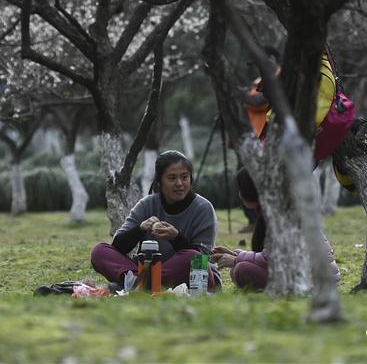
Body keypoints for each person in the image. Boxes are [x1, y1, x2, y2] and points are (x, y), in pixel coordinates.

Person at [90, 150, 220, 291]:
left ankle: (139, 285)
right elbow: (117, 246)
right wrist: (140, 229)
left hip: (194, 277)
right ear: (159, 181)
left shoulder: (203, 208)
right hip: (150, 270)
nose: (179, 183)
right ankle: (143, 284)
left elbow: (202, 260)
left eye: (184, 177)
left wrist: (176, 238)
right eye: (171, 178)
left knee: (193, 257)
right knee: (99, 251)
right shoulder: (147, 204)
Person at [211, 168, 340, 290]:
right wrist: (235, 254)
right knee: (238, 268)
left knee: (241, 269)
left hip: (316, 279)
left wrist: (236, 259)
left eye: (241, 190)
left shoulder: (279, 215)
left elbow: (270, 258)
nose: (239, 195)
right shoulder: (276, 208)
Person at [239, 45, 280, 233]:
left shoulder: (279, 77)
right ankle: (253, 220)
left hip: (268, 138)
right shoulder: (258, 81)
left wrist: (243, 94)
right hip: (254, 136)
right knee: (245, 179)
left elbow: (257, 102)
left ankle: (263, 220)